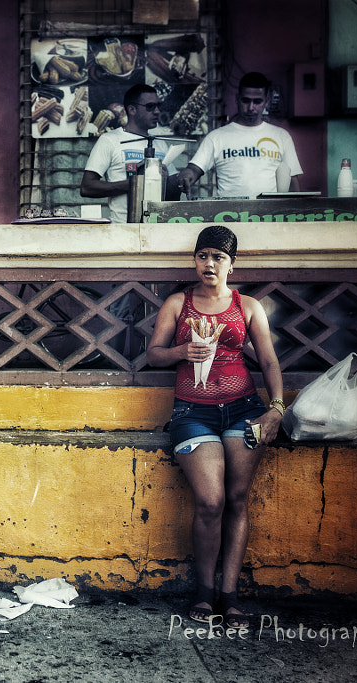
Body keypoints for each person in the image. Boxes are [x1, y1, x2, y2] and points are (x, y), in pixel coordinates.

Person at [146, 225, 285, 629]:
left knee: (237, 499)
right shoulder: (178, 303)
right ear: (194, 260)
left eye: (218, 257)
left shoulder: (249, 306)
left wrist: (275, 409)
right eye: (203, 255)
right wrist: (179, 351)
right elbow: (153, 355)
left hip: (244, 410)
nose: (210, 263)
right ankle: (204, 593)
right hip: (192, 413)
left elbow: (270, 362)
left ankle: (230, 596)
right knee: (211, 501)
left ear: (231, 264)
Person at [177, 72, 303, 198]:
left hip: (271, 214)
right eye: (246, 101)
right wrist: (187, 175)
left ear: (267, 102)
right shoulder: (217, 137)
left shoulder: (281, 136)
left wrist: (297, 212)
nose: (251, 108)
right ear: (237, 99)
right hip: (229, 214)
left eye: (257, 101)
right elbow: (194, 169)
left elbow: (292, 180)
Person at [80, 84, 179, 223]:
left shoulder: (160, 144)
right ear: (132, 109)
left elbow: (173, 195)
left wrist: (176, 181)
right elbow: (87, 187)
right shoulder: (110, 140)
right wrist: (134, 184)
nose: (157, 111)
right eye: (150, 106)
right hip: (123, 229)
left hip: (158, 227)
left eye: (158, 106)